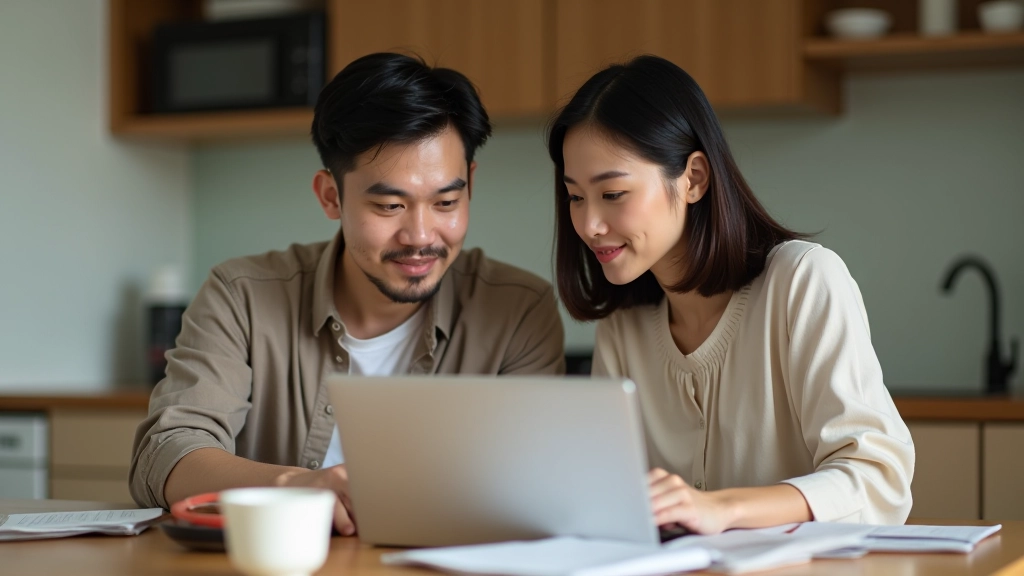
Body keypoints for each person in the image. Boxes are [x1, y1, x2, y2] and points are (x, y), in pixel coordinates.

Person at [130, 53, 566, 534]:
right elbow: (167, 454)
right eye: (389, 205)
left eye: (446, 202)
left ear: (471, 186)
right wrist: (298, 485)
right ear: (330, 197)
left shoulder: (518, 309)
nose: (421, 235)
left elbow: (535, 486)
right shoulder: (243, 296)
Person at [547, 55, 914, 534]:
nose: (590, 225)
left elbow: (878, 479)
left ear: (694, 178)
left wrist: (723, 509)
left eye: (612, 194)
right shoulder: (624, 330)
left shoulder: (802, 281)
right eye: (576, 197)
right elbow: (612, 502)